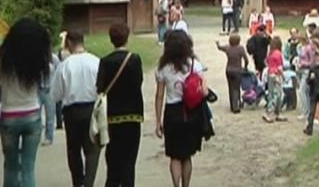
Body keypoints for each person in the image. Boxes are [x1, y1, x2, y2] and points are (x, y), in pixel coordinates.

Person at [0, 18, 51, 187]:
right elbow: (46, 85)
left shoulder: (2, 57)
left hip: (9, 116)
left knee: (11, 167)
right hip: (32, 115)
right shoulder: (38, 57)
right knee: (28, 168)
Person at [155, 30, 209, 187]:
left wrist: (158, 121)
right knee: (187, 155)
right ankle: (186, 185)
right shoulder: (195, 65)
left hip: (172, 112)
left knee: (175, 156)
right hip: (192, 111)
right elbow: (204, 91)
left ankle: (176, 185)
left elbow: (159, 96)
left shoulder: (163, 67)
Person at [51, 30, 101, 187]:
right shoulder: (95, 62)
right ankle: (89, 182)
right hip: (91, 108)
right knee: (92, 149)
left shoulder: (65, 65)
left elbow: (55, 94)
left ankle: (78, 181)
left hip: (72, 111)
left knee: (74, 150)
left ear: (70, 44)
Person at [96, 24, 144, 187]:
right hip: (133, 116)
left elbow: (100, 88)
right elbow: (139, 82)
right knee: (129, 161)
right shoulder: (135, 59)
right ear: (127, 37)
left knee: (114, 160)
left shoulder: (105, 61)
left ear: (111, 40)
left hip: (113, 117)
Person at [215, 33, 249, 114]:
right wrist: (245, 67)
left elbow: (220, 48)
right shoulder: (240, 48)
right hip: (237, 70)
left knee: (231, 88)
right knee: (236, 88)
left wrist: (217, 43)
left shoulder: (228, 48)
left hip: (228, 70)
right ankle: (235, 106)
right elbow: (246, 59)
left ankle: (232, 105)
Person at [263, 36, 286, 123]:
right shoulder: (278, 54)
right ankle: (275, 112)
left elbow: (266, 62)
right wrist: (283, 75)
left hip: (270, 73)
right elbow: (280, 67)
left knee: (271, 94)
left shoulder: (270, 53)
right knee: (278, 94)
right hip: (276, 74)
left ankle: (271, 112)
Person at [39, 51, 60, 146]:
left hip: (49, 90)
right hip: (38, 89)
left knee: (50, 115)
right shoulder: (36, 57)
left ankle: (49, 136)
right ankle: (36, 136)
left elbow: (59, 70)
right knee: (36, 115)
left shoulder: (53, 58)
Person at [295, 34, 313, 121]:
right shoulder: (300, 47)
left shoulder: (309, 48)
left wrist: (303, 64)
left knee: (302, 91)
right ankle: (307, 110)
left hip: (306, 71)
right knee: (305, 91)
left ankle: (305, 111)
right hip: (300, 70)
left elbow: (311, 61)